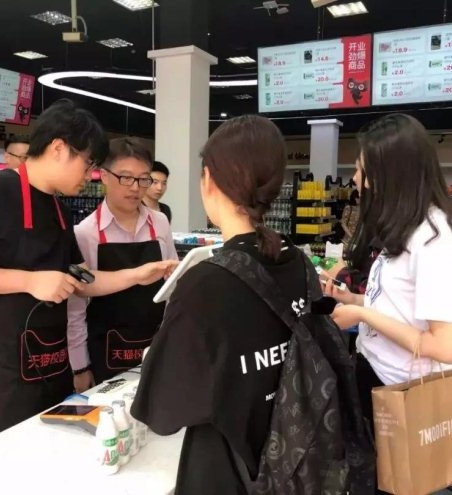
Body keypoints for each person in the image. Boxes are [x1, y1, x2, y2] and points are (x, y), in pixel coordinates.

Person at [0, 100, 177, 445]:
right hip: (2, 376)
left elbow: (83, 281)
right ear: (59, 148)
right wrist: (29, 280)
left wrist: (138, 274)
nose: (89, 175)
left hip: (54, 368)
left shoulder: (58, 208)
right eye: (88, 164)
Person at [131, 115, 311, 493]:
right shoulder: (299, 263)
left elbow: (161, 410)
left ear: (209, 180)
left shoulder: (204, 283)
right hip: (294, 461)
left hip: (226, 472)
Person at [322, 114, 452, 470]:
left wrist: (362, 314)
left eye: (362, 170)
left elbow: (446, 346)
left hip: (403, 394)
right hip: (375, 377)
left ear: (391, 175)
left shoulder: (434, 240)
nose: (355, 179)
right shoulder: (405, 227)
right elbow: (400, 309)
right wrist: (354, 299)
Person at [67, 138, 178, 389]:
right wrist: (80, 366)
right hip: (106, 351)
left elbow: (171, 286)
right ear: (105, 176)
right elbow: (76, 307)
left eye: (143, 179)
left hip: (154, 346)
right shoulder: (86, 232)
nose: (135, 188)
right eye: (126, 178)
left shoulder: (160, 223)